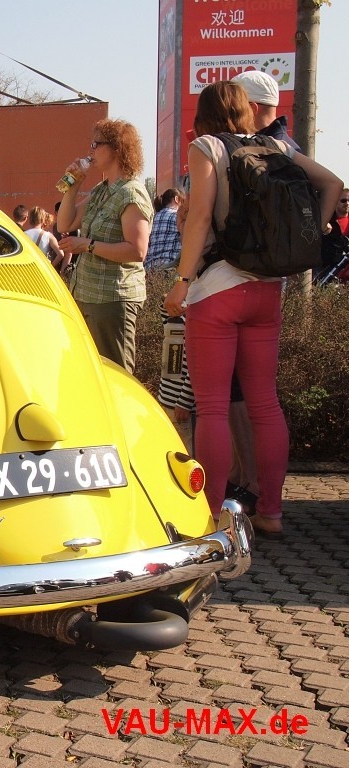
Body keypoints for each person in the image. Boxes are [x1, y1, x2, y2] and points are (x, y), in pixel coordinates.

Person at [163, 81, 342, 539]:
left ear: (204, 115)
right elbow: (333, 183)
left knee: (212, 408)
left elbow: (201, 217)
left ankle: (210, 519)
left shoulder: (206, 147)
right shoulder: (277, 147)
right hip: (267, 288)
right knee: (264, 403)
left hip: (217, 289)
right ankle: (271, 513)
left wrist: (181, 282)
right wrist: (313, 231)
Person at [57, 119, 154, 373]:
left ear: (117, 148)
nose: (90, 150)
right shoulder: (102, 190)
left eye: (96, 144)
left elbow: (137, 250)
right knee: (92, 374)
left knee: (116, 375)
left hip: (113, 299)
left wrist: (88, 245)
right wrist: (73, 186)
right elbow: (64, 223)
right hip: (88, 296)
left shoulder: (131, 193)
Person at [230, 70, 300, 151]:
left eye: (233, 107)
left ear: (252, 109)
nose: (229, 114)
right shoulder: (282, 147)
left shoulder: (276, 150)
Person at [146, 188, 183, 271]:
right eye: (183, 201)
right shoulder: (178, 217)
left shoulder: (152, 219)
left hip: (150, 270)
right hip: (170, 268)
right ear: (176, 199)